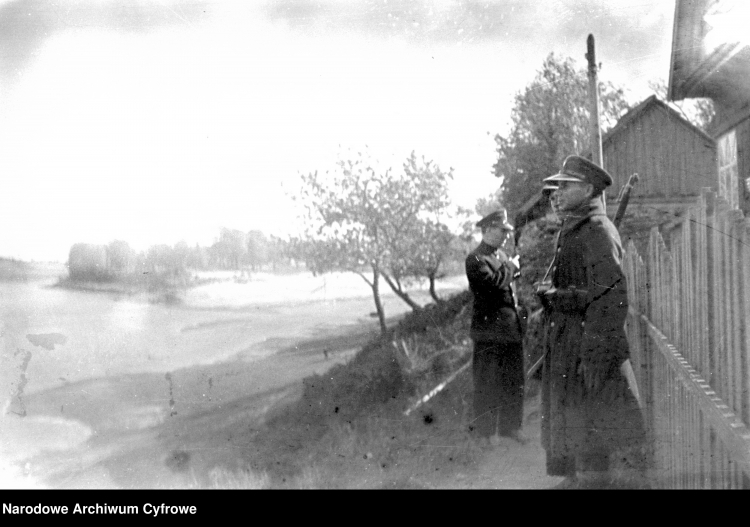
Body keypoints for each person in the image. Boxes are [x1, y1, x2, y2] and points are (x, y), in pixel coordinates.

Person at [539, 155, 649, 489]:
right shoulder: (576, 227)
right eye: (557, 186)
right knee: (575, 425)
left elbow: (609, 299)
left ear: (587, 189)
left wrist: (595, 357)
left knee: (591, 428)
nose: (557, 192)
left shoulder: (599, 231)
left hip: (587, 346)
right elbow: (585, 289)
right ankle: (578, 481)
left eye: (565, 185)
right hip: (570, 343)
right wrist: (555, 295)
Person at [465, 209, 527, 447]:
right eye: (502, 231)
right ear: (488, 229)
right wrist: (511, 268)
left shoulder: (501, 255)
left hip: (510, 329)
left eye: (507, 232)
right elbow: (491, 287)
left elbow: (507, 285)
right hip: (488, 332)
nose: (506, 236)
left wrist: (511, 268)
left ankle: (511, 427)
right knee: (487, 383)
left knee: (513, 381)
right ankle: (486, 433)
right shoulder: (475, 259)